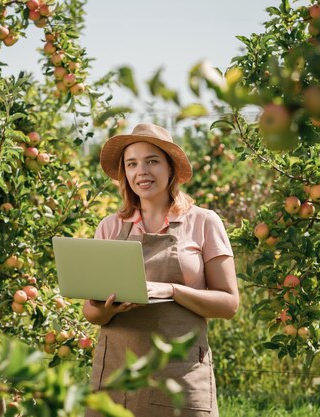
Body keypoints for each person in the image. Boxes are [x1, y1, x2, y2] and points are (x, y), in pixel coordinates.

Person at [83, 123, 239, 417]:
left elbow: (229, 304)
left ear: (171, 170)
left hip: (180, 377)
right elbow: (91, 313)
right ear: (125, 174)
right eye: (132, 164)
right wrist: (110, 308)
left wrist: (170, 290)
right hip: (118, 375)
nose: (141, 171)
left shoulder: (204, 222)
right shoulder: (110, 227)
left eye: (152, 161)